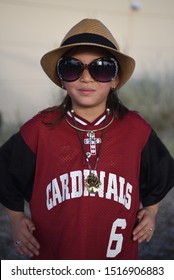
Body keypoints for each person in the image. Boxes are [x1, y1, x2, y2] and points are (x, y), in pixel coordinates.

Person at [0, 18, 174, 260]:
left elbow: (161, 174)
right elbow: (5, 171)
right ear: (62, 78)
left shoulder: (136, 130)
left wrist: (152, 212)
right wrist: (16, 218)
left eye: (101, 68)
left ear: (115, 80)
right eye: (73, 67)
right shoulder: (40, 129)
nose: (86, 77)